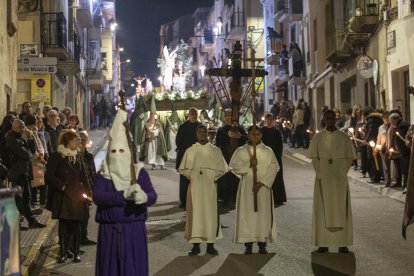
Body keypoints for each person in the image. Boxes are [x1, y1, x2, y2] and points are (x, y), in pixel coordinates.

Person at [93, 109, 157, 276]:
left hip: (134, 230)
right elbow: (98, 196)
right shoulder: (103, 175)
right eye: (113, 151)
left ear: (128, 153)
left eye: (122, 151)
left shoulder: (138, 172)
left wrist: (144, 197)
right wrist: (123, 195)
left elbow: (152, 195)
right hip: (110, 231)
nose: (117, 155)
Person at [308, 110, 356, 253]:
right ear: (324, 119)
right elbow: (314, 158)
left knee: (341, 207)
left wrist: (342, 172)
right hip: (324, 177)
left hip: (339, 178)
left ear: (336, 119)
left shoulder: (344, 137)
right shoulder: (317, 137)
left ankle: (342, 242)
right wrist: (320, 173)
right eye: (327, 118)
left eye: (332, 118)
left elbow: (349, 158)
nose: (329, 120)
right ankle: (323, 242)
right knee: (322, 208)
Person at [178, 125, 228, 256]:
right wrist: (195, 177)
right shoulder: (190, 150)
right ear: (196, 134)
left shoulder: (215, 151)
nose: (202, 134)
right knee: (195, 215)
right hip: (195, 188)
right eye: (199, 132)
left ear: (207, 133)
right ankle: (196, 246)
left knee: (210, 215)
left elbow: (222, 169)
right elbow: (185, 171)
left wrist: (211, 176)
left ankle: (210, 245)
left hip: (210, 187)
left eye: (204, 131)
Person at [229, 125, 279, 254]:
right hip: (247, 188)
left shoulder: (268, 151)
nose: (255, 136)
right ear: (248, 134)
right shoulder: (241, 151)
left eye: (258, 134)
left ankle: (262, 243)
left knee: (263, 215)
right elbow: (234, 167)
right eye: (252, 134)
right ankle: (248, 243)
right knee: (248, 215)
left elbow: (274, 168)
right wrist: (249, 164)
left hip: (263, 189)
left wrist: (262, 183)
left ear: (261, 135)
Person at [45, 130, 91, 263]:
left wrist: (89, 193)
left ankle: (76, 253)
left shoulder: (78, 156)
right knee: (64, 225)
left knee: (76, 225)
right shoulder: (57, 156)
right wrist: (61, 186)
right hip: (63, 195)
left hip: (77, 195)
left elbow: (84, 176)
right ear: (68, 141)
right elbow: (49, 175)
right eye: (76, 140)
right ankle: (64, 253)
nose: (79, 143)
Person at [6, 119, 46, 229]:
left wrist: (30, 138)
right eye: (20, 127)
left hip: (25, 172)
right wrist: (29, 153)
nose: (23, 129)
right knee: (17, 199)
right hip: (17, 173)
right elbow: (26, 154)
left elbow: (32, 151)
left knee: (26, 198)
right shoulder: (12, 140)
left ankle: (31, 221)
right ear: (14, 128)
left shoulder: (20, 138)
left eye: (23, 126)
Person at [216, 109, 247, 207]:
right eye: (227, 116)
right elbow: (218, 143)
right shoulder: (221, 130)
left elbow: (246, 140)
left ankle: (235, 197)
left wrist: (239, 136)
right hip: (225, 158)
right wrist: (227, 136)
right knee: (224, 180)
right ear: (224, 118)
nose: (228, 118)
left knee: (236, 179)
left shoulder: (240, 128)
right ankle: (224, 198)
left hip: (237, 158)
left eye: (230, 116)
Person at [176, 107, 201, 209]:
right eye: (192, 113)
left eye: (195, 113)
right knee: (184, 180)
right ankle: (183, 201)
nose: (194, 115)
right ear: (189, 115)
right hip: (185, 156)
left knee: (197, 179)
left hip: (197, 156)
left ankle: (196, 200)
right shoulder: (183, 127)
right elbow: (178, 141)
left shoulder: (200, 126)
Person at [261, 113, 286, 206]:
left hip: (275, 157)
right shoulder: (262, 130)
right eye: (268, 119)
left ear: (274, 120)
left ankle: (278, 198)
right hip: (264, 158)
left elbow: (280, 145)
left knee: (277, 177)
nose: (269, 121)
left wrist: (276, 156)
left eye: (271, 119)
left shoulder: (276, 131)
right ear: (265, 120)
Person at [78, 131, 97, 245]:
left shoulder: (89, 156)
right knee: (76, 214)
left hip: (87, 188)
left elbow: (92, 172)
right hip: (76, 188)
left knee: (85, 214)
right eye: (80, 139)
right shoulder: (73, 155)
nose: (83, 142)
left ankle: (83, 237)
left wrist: (93, 188)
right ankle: (74, 239)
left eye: (85, 140)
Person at [139, 97, 168, 170]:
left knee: (159, 153)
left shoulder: (158, 124)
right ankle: (153, 165)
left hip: (158, 141)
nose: (153, 116)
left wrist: (156, 132)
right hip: (150, 141)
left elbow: (160, 132)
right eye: (151, 115)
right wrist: (148, 135)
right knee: (152, 152)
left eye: (154, 115)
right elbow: (144, 134)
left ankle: (161, 165)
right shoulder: (147, 124)